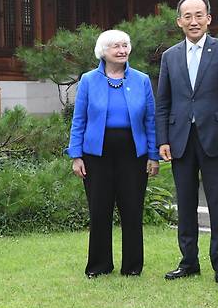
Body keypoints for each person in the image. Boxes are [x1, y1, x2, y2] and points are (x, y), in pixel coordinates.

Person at [156, 0, 218, 286]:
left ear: (208, 18)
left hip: (217, 140)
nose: (193, 21)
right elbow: (163, 102)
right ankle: (188, 262)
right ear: (179, 21)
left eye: (199, 15)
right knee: (185, 203)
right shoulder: (170, 56)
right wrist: (163, 139)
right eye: (187, 16)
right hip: (180, 139)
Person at [67, 29, 160, 279]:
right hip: (96, 155)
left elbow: (151, 120)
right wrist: (76, 155)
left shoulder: (141, 80)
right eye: (115, 46)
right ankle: (99, 265)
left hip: (133, 153)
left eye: (125, 45)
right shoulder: (87, 80)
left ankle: (132, 267)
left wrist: (153, 155)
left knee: (132, 209)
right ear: (103, 52)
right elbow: (79, 120)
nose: (122, 50)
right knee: (99, 210)